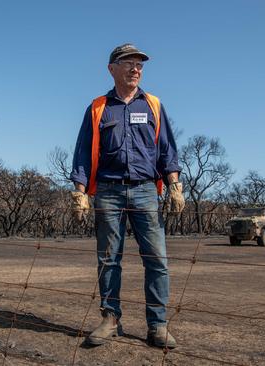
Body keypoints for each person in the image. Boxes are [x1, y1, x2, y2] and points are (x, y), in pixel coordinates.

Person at [69, 43, 185, 348]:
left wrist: (174, 185)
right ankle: (110, 320)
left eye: (140, 65)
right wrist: (80, 192)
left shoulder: (154, 105)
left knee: (157, 259)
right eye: (128, 63)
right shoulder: (98, 107)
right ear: (112, 69)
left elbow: (166, 150)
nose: (136, 69)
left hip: (146, 190)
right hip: (108, 191)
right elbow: (82, 151)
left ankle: (157, 326)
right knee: (108, 260)